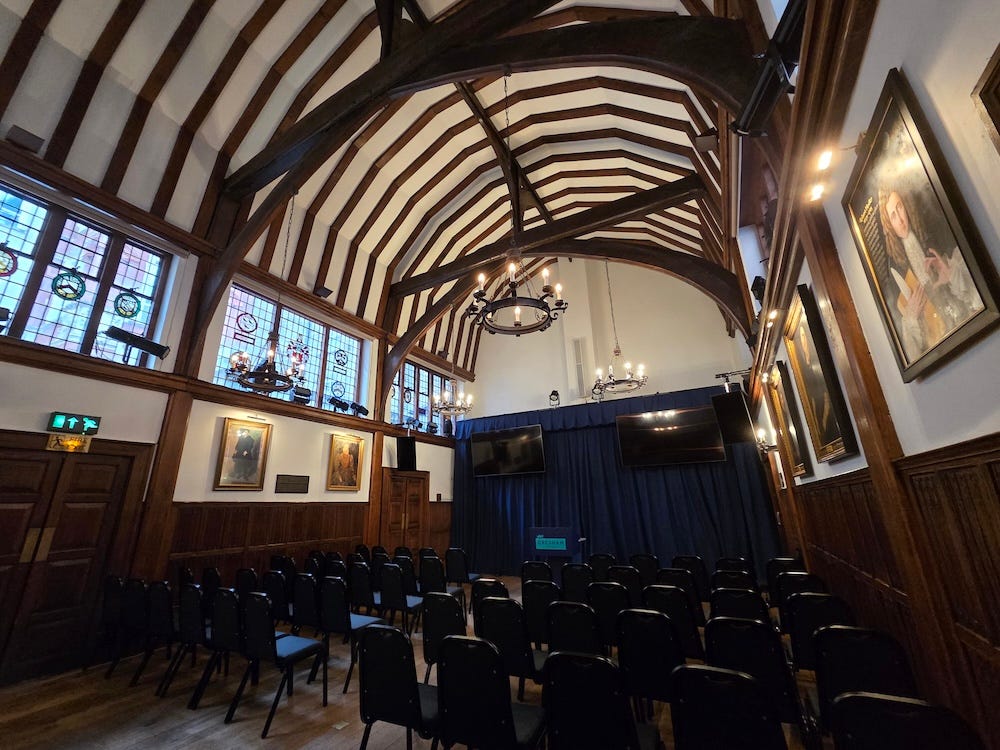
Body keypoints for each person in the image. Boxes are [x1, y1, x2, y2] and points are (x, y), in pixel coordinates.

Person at [877, 187, 984, 361]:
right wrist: (911, 316)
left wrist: (951, 275)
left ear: (906, 205)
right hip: (939, 345)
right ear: (889, 224)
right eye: (893, 216)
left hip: (965, 319)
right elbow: (911, 353)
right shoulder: (894, 271)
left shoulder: (933, 233)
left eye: (900, 207)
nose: (901, 220)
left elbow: (977, 291)